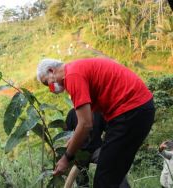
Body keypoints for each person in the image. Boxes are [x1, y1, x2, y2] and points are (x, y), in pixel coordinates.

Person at [36, 58, 155, 187]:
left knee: (104, 179)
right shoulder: (76, 69)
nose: (50, 89)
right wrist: (73, 140)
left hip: (130, 111)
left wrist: (66, 158)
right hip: (137, 110)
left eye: (47, 83)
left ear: (51, 70)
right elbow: (89, 118)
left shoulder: (72, 76)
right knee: (112, 175)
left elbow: (86, 124)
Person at [65, 108, 129, 188]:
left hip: (97, 149)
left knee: (112, 163)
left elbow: (109, 130)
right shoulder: (72, 113)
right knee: (82, 182)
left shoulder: (98, 112)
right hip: (80, 153)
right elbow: (67, 135)